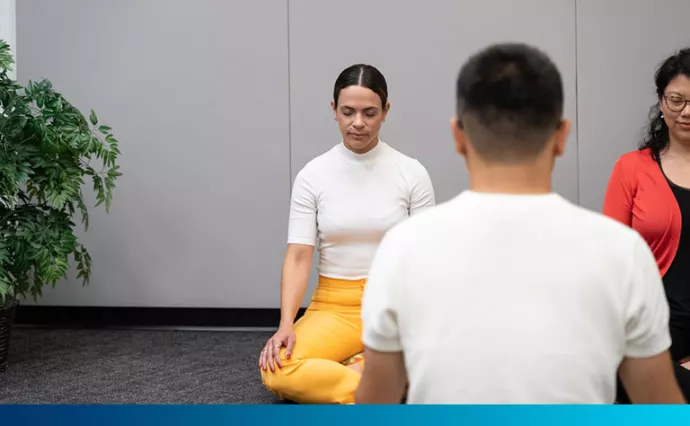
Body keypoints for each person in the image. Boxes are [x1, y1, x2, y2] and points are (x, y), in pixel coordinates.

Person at [355, 43, 685, 404]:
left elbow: (376, 403)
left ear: (458, 136)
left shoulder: (403, 247)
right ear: (561, 136)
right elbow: (661, 408)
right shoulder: (623, 253)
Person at [258, 64, 435, 404]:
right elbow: (298, 257)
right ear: (333, 110)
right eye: (348, 111)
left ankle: (367, 374)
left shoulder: (411, 173)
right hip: (334, 307)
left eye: (370, 112)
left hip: (394, 305)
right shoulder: (313, 175)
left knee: (446, 355)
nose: (358, 122)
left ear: (386, 111)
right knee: (278, 370)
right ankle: (382, 380)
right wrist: (285, 325)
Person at [603, 48, 690, 402]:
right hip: (648, 330)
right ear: (661, 101)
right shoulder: (631, 169)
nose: (687, 112)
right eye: (676, 100)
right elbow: (611, 263)